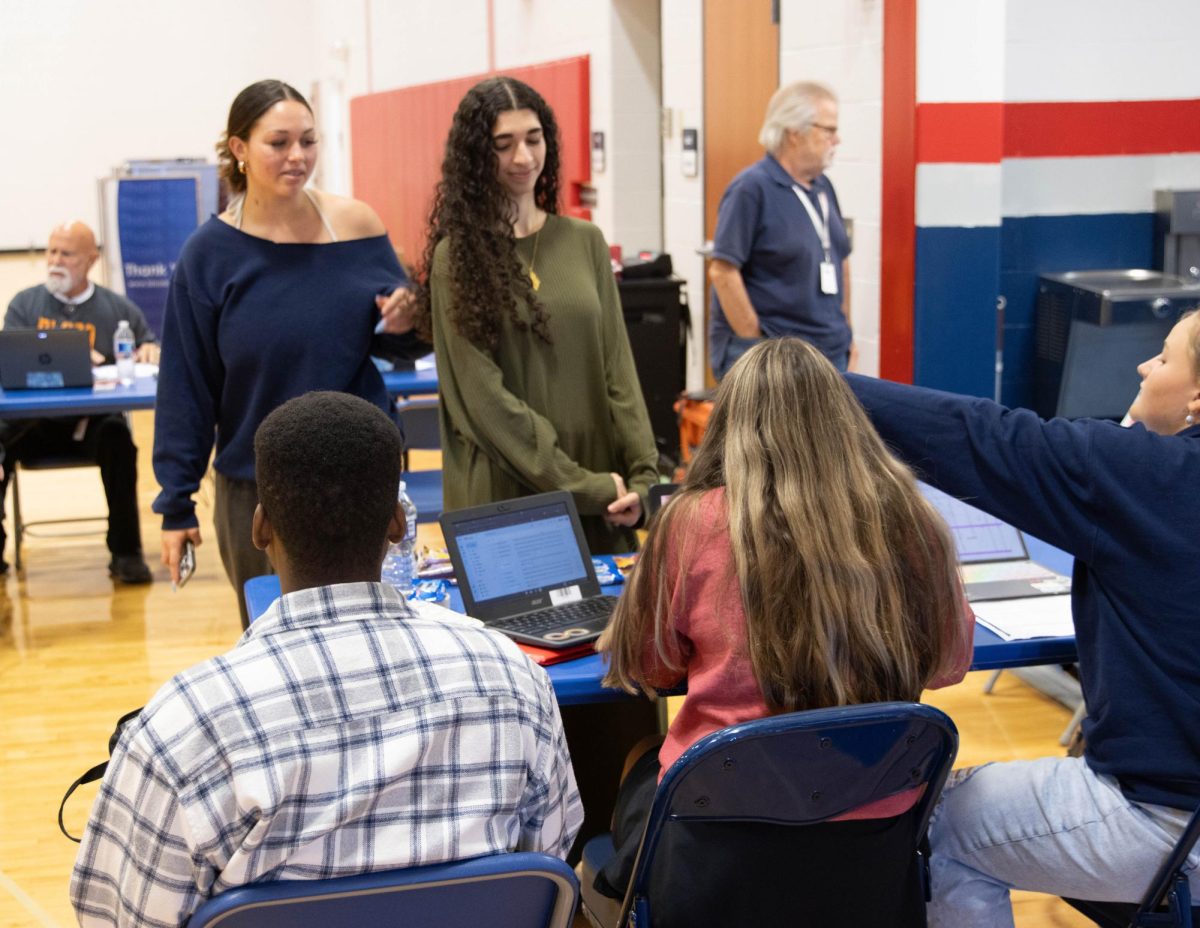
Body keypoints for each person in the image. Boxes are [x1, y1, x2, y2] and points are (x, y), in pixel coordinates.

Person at [71, 391, 582, 928]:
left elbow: (117, 915)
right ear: (396, 525)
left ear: (261, 527)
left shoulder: (186, 728)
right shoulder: (513, 678)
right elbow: (549, 856)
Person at [844, 309, 1200, 926]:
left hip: (1171, 819)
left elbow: (986, 437)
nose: (1145, 366)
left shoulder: (1152, 476)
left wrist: (820, 378)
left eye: (1164, 357)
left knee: (939, 821)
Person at [593, 337, 974, 899]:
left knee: (640, 766)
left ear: (729, 426)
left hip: (722, 840)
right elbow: (948, 664)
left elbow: (651, 668)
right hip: (870, 839)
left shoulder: (692, 522)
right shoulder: (910, 517)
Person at [152, 79, 426, 626]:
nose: (297, 157)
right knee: (273, 646)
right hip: (258, 482)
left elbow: (399, 339)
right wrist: (175, 502)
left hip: (361, 471)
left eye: (308, 141)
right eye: (278, 143)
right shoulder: (208, 255)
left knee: (374, 638)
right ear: (239, 150)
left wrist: (407, 317)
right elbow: (186, 384)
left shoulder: (356, 226)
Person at [413, 76, 658, 556]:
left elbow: (619, 372)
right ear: (475, 157)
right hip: (509, 497)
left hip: (604, 496)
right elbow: (485, 404)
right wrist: (580, 485)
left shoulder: (585, 240)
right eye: (503, 145)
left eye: (533, 139)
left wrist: (642, 478)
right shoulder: (456, 257)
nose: (523, 158)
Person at [1, 221, 158, 582]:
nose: (55, 260)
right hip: (33, 424)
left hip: (91, 423)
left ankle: (126, 553)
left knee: (118, 436)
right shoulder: (24, 305)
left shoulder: (117, 309)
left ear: (91, 260)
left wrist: (149, 349)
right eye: (51, 251)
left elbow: (147, 345)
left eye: (66, 253)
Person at [708, 81, 855, 380]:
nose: (836, 140)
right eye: (828, 130)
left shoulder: (824, 188)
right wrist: (755, 342)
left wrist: (846, 332)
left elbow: (840, 260)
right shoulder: (751, 188)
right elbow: (723, 271)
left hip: (829, 352)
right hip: (776, 358)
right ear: (794, 133)